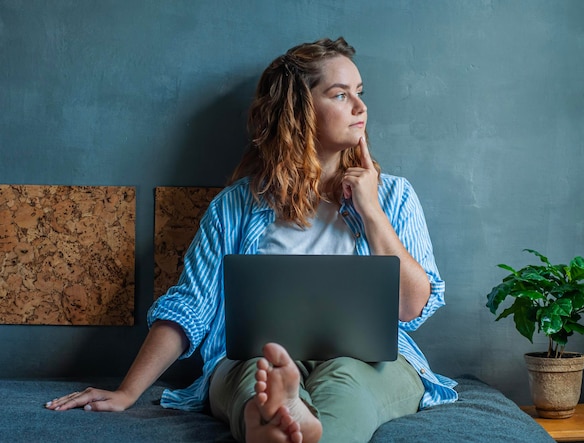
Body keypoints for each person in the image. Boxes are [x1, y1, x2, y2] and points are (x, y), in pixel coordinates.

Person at [45, 37, 458, 443]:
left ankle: (298, 427)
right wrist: (127, 392)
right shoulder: (236, 206)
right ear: (299, 111)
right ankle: (274, 422)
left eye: (360, 93)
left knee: (346, 381)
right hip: (258, 357)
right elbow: (191, 307)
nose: (361, 107)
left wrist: (371, 212)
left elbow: (412, 307)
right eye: (340, 94)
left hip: (367, 362)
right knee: (254, 376)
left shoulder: (394, 196)